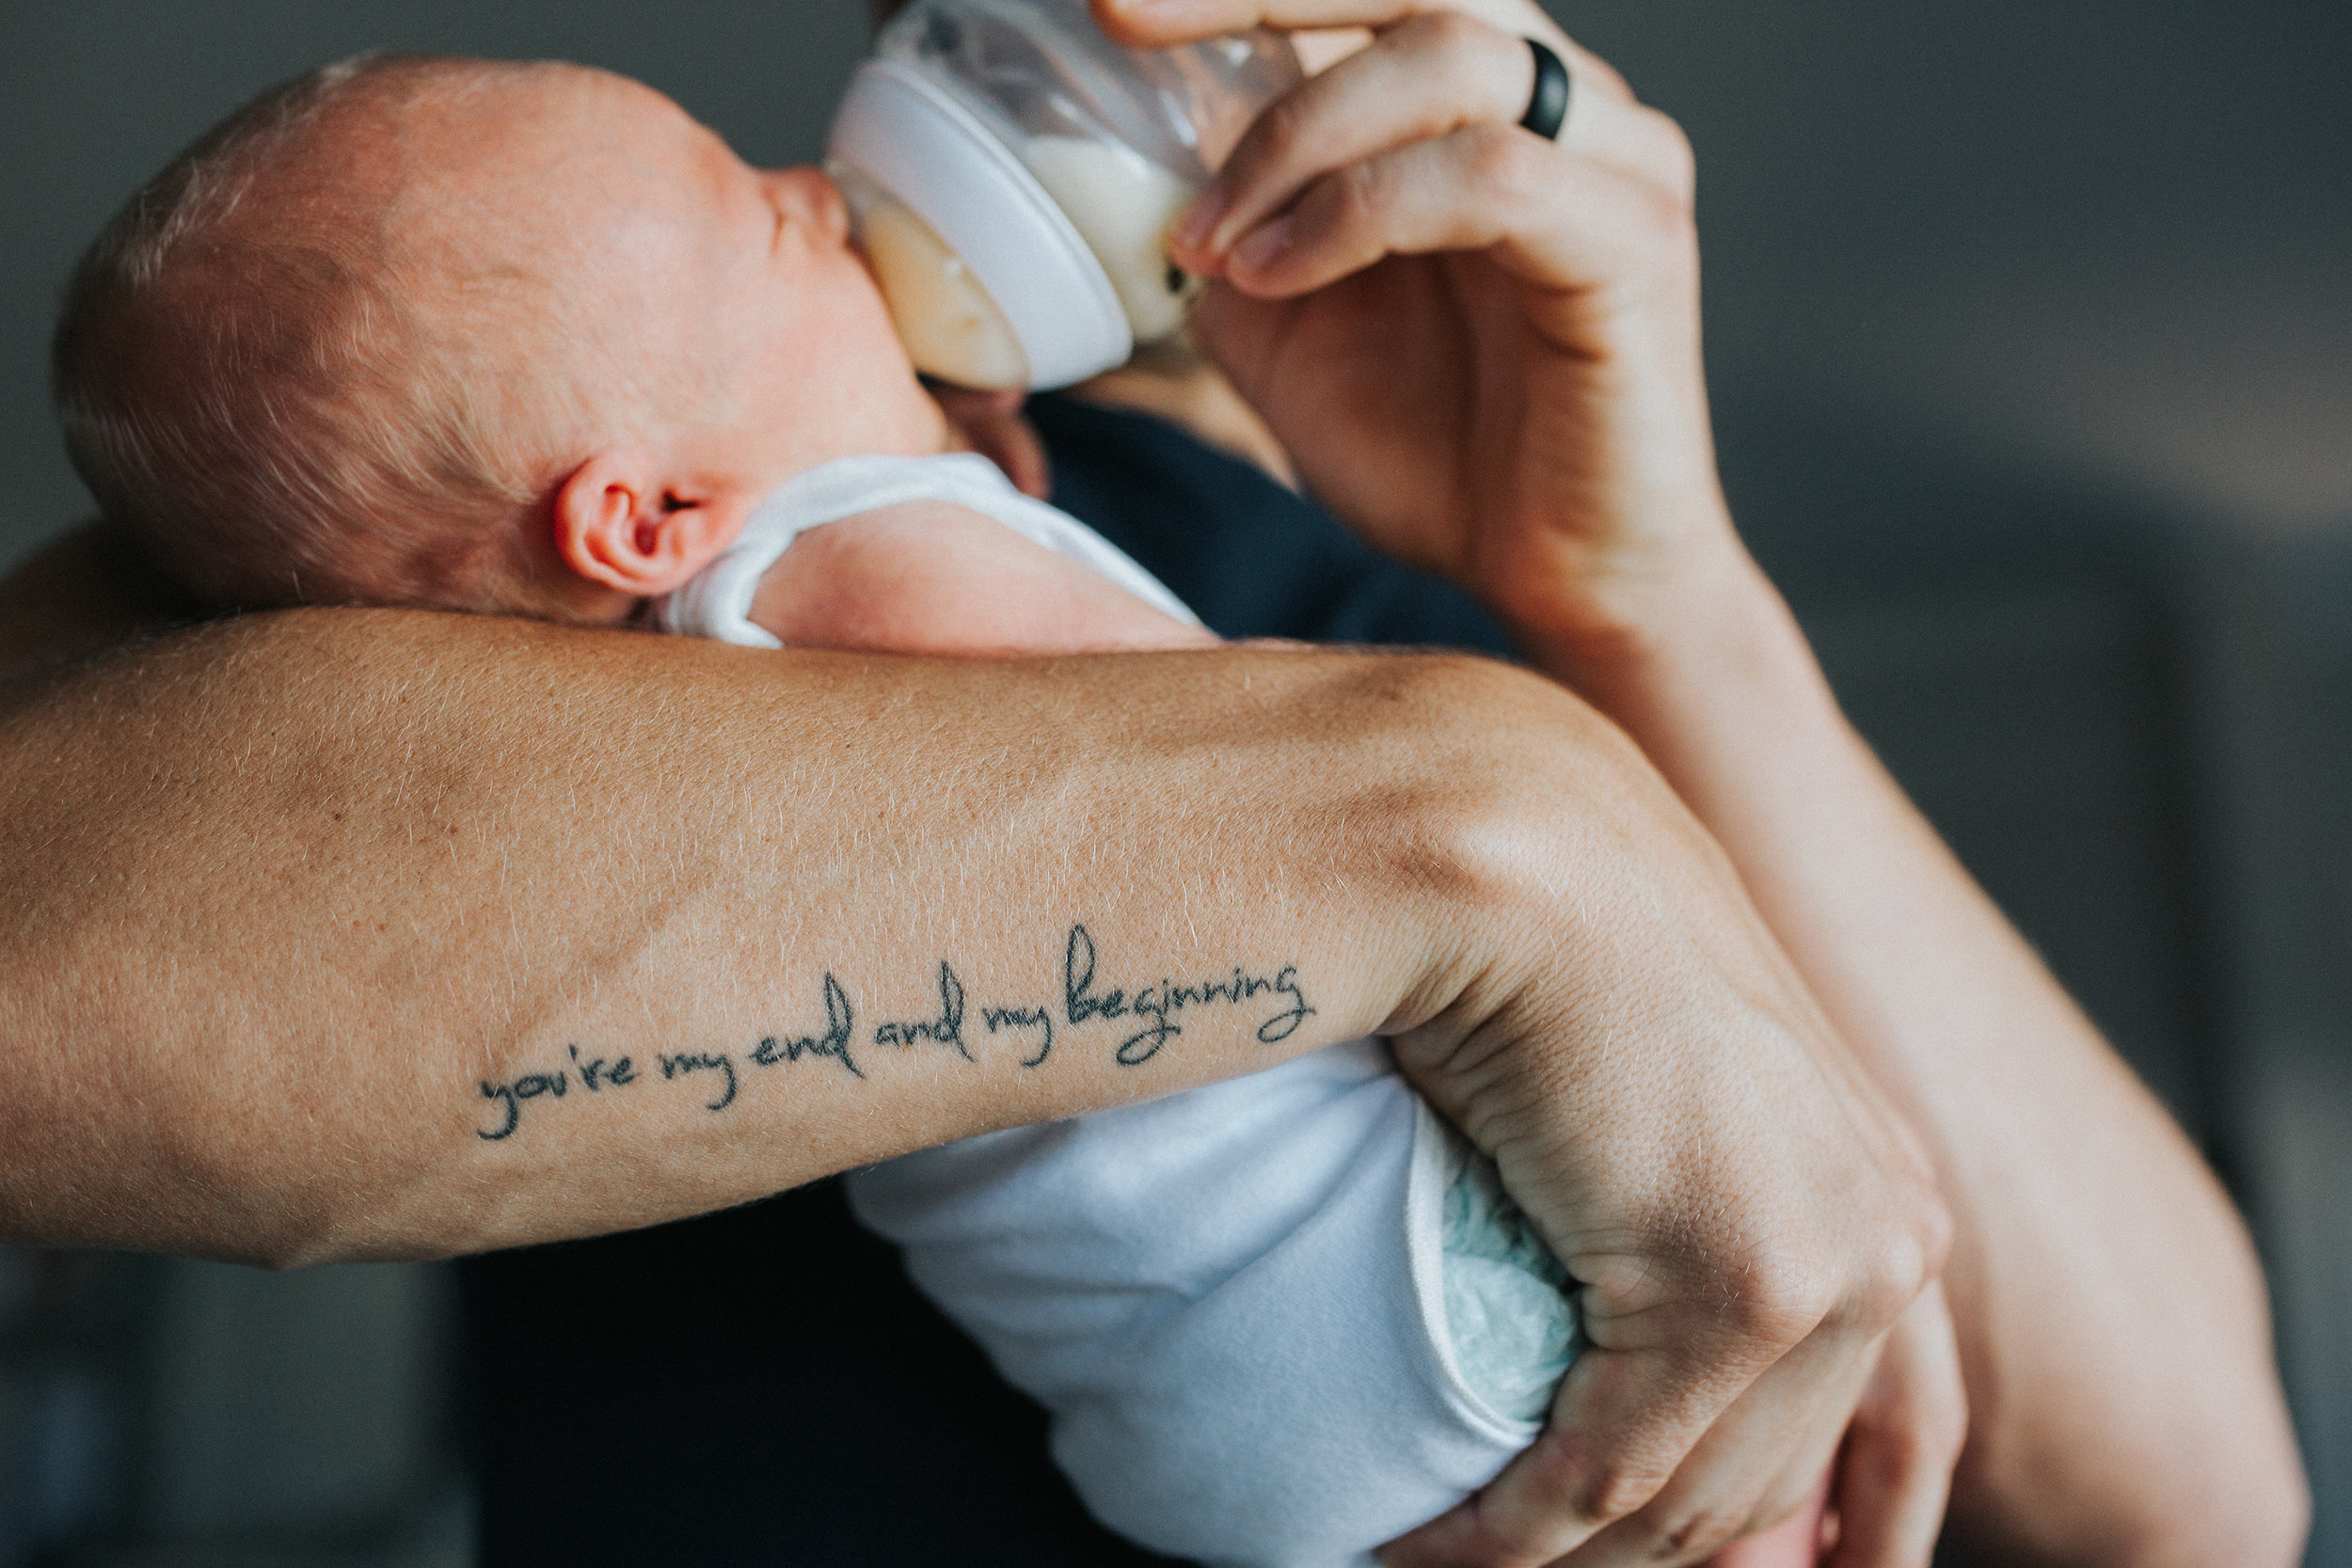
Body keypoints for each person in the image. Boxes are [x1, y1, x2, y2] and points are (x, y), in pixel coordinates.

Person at [0, 4, 2304, 1566]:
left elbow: (2182, 1506)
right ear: (624, 516)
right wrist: (1486, 809)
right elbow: (45, 977)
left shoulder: (1179, 516)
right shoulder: (455, 546)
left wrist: (1639, 597)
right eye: (752, 201)